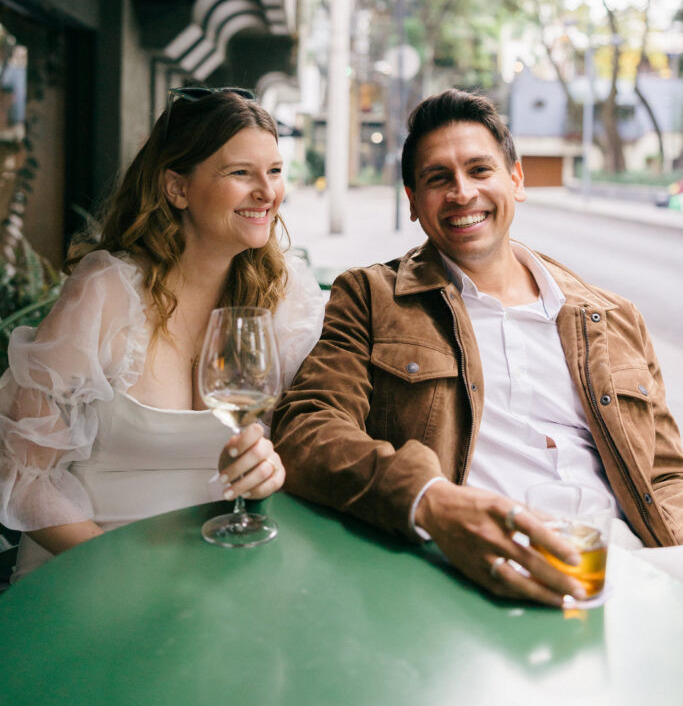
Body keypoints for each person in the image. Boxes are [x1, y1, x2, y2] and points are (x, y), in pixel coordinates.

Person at [272, 88, 683, 607]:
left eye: (479, 170)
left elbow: (668, 474)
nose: (462, 192)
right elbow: (308, 428)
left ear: (516, 179)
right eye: (438, 178)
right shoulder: (372, 298)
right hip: (470, 570)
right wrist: (431, 502)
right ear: (414, 203)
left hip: (625, 564)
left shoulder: (616, 318)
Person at [0, 86, 324, 580]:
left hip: (220, 568)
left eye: (275, 171)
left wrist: (275, 468)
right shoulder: (107, 292)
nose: (267, 191)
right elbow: (22, 476)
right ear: (177, 188)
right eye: (241, 173)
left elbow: (312, 437)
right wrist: (120, 567)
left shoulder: (286, 296)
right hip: (91, 568)